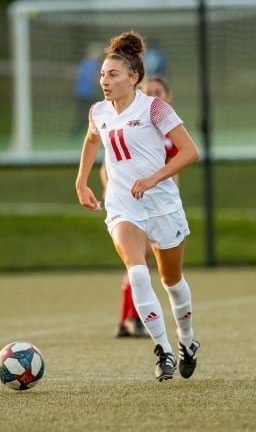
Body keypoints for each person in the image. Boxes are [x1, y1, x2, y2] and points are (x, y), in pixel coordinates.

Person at [75, 31, 200, 382]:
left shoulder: (154, 107)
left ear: (134, 78)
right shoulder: (98, 111)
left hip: (162, 205)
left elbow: (190, 152)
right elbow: (90, 141)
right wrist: (81, 181)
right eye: (102, 74)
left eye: (113, 74)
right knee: (136, 269)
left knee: (172, 280)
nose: (105, 80)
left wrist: (154, 179)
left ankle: (187, 342)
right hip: (122, 204)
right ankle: (162, 351)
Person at [102, 75, 178, 338]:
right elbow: (107, 167)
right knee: (139, 258)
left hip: (160, 205)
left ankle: (127, 320)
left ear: (168, 98)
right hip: (131, 204)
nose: (153, 96)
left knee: (149, 263)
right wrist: (112, 191)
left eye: (158, 92)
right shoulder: (132, 123)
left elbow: (175, 170)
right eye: (149, 91)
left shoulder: (169, 131)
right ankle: (131, 318)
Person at [70, 42, 105, 137]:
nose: (99, 55)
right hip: (85, 93)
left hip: (82, 92)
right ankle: (76, 133)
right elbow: (94, 78)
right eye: (97, 52)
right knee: (91, 114)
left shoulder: (84, 62)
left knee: (87, 114)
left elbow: (77, 73)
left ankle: (76, 133)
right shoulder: (92, 64)